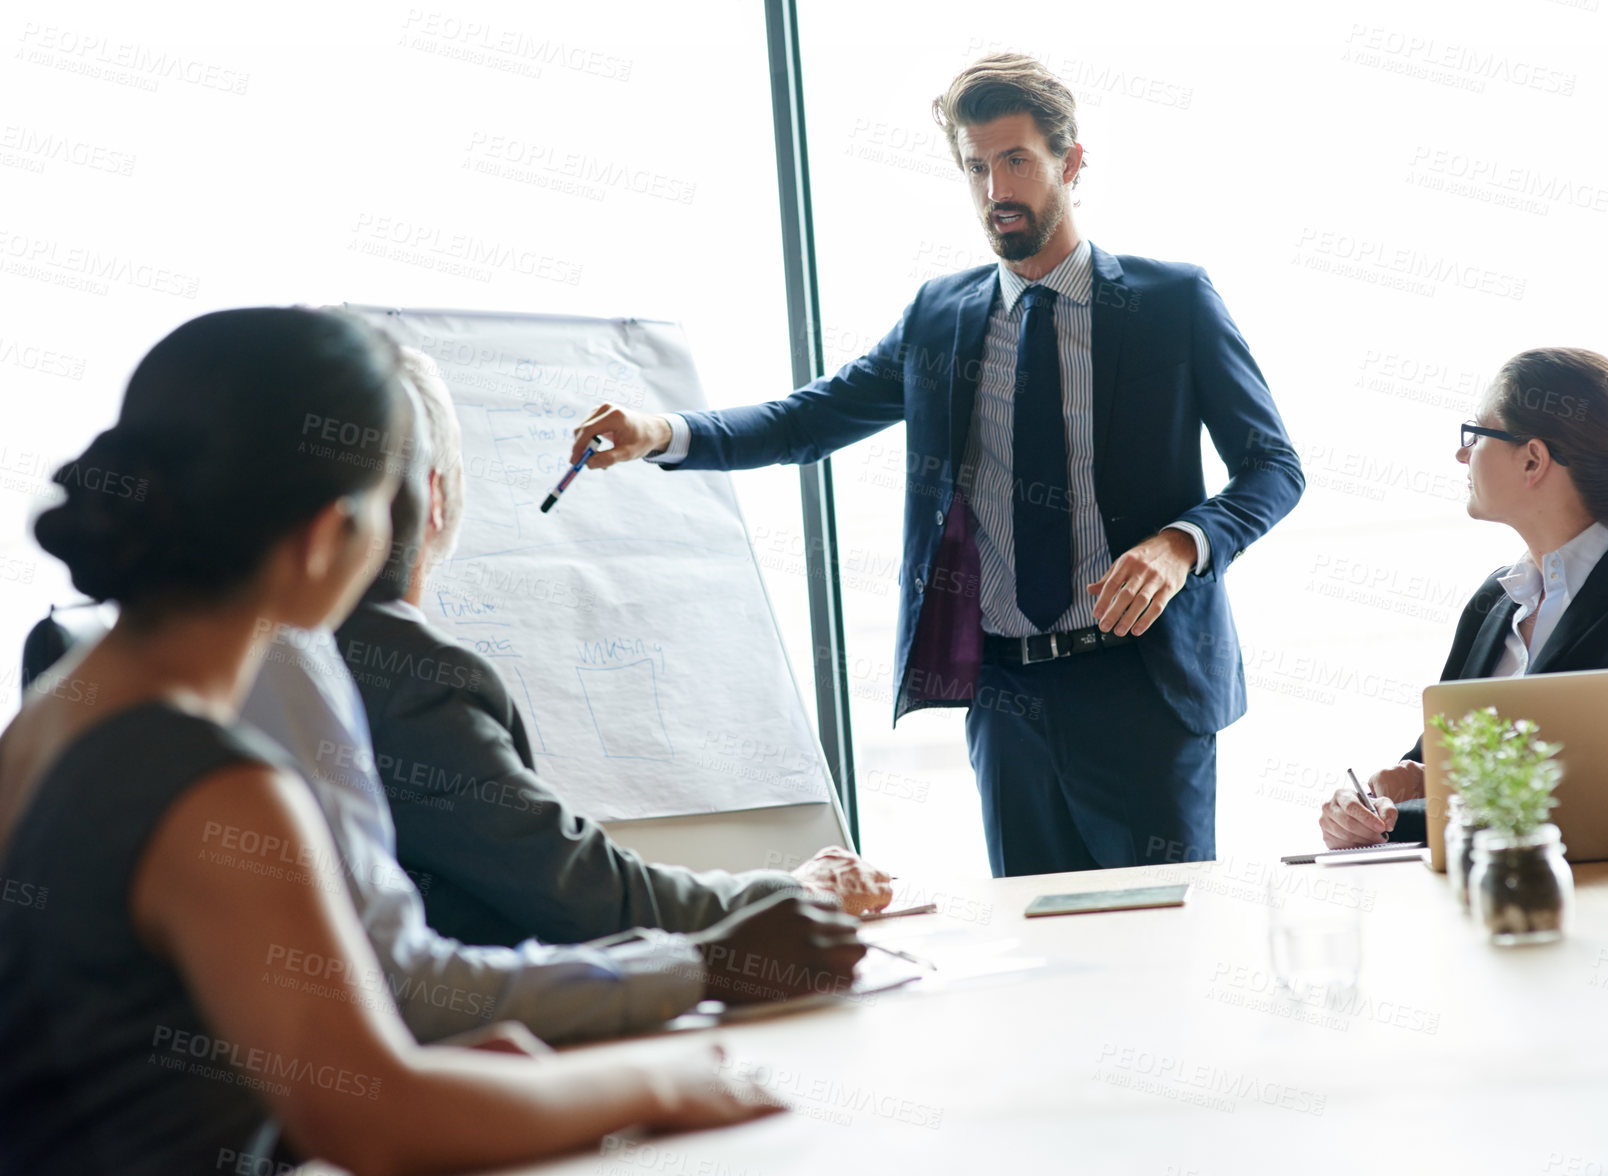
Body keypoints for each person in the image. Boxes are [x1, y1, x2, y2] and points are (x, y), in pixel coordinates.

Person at [0, 308, 817, 1176]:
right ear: (327, 536)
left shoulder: (53, 713)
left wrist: (456, 1078)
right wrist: (659, 1082)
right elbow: (374, 1122)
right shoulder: (219, 789)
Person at [568, 53, 1304, 877]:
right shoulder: (939, 317)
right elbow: (806, 420)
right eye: (976, 168)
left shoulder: (1172, 302)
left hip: (1142, 684)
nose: (996, 191)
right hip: (1004, 700)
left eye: (1017, 161)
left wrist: (1182, 544)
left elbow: (1274, 467)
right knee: (1041, 958)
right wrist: (660, 430)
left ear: (1072, 162)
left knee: (1166, 943)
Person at [332, 346, 891, 960]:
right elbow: (596, 899)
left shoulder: (275, 659)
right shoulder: (413, 684)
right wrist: (800, 889)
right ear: (436, 498)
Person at [1320, 347, 1608, 849]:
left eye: (1476, 434)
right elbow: (1430, 772)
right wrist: (1373, 809)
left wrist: (1400, 823)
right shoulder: (1495, 601)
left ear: (1533, 459)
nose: (1462, 454)